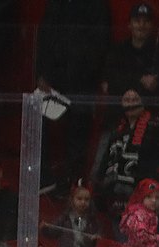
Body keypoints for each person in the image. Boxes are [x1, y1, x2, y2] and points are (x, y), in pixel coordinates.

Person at [35, 0, 111, 193]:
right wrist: (42, 74)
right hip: (55, 78)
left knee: (78, 132)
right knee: (39, 122)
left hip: (84, 81)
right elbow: (45, 35)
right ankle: (43, 177)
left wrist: (97, 75)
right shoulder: (56, 4)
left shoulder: (97, 5)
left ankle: (72, 183)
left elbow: (102, 40)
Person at [91, 87, 159, 221]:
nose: (131, 103)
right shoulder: (116, 130)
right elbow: (105, 164)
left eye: (135, 99)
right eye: (127, 100)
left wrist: (158, 197)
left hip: (148, 201)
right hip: (117, 202)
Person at [101, 2, 159, 98]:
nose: (141, 25)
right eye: (137, 21)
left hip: (148, 108)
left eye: (146, 21)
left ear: (152, 26)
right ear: (130, 25)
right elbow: (108, 84)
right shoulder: (118, 51)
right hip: (120, 108)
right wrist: (140, 79)